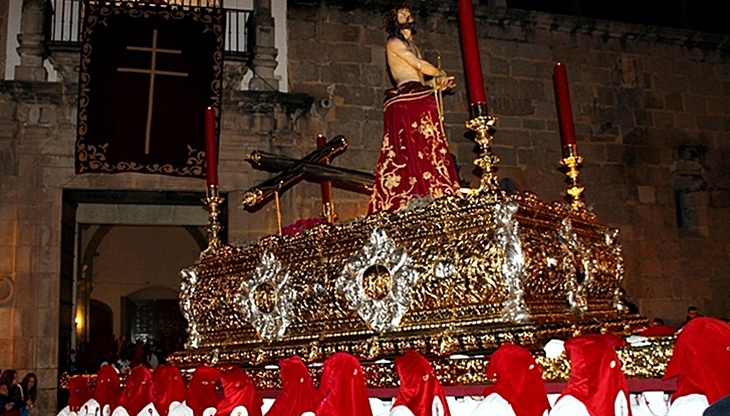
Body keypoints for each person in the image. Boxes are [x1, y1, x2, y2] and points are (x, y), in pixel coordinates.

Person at [367, 5, 461, 213]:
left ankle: (433, 184)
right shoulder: (394, 42)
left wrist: (438, 84)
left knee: (429, 145)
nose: (406, 16)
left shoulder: (413, 44)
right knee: (409, 145)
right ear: (394, 20)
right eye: (401, 14)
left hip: (419, 92)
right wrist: (439, 72)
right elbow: (417, 65)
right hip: (407, 96)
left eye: (408, 13)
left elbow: (423, 80)